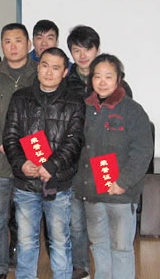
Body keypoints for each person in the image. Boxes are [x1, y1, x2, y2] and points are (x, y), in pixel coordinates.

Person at [3, 47, 85, 279]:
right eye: (45, 65)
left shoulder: (75, 102)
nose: (49, 72)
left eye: (56, 68)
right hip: (26, 183)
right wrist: (21, 163)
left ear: (65, 72)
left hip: (57, 183)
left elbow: (74, 141)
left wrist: (51, 166)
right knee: (26, 240)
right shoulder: (20, 98)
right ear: (38, 67)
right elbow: (10, 136)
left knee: (59, 241)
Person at [73, 54, 152, 279]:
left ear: (118, 79)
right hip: (92, 192)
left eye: (108, 76)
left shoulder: (132, 110)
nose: (102, 82)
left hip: (120, 194)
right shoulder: (84, 108)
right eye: (97, 76)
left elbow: (143, 151)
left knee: (121, 248)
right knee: (98, 245)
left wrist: (123, 182)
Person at [65, 25, 132, 279]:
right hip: (77, 166)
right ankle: (81, 268)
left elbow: (129, 136)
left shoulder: (122, 92)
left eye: (88, 49)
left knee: (114, 234)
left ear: (97, 49)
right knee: (79, 225)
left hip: (107, 169)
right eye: (76, 50)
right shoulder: (66, 82)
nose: (82, 55)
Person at [0, 23, 37, 279]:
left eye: (18, 41)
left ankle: (25, 269)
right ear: (1, 45)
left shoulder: (39, 74)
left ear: (28, 45)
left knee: (27, 221)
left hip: (31, 163)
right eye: (7, 41)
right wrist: (3, 143)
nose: (13, 46)